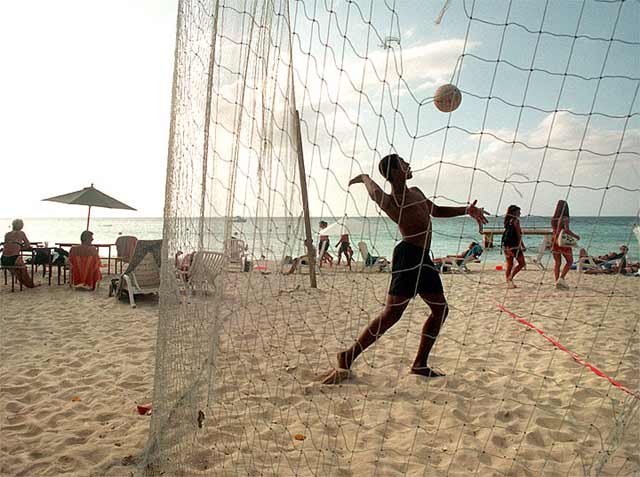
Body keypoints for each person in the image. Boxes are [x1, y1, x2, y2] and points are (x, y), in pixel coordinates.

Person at [320, 154, 488, 384]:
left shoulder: (417, 192)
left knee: (440, 309)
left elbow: (436, 210)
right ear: (394, 172)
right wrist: (365, 178)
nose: (408, 165)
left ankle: (420, 364)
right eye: (402, 163)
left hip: (424, 259)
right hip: (407, 256)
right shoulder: (392, 202)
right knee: (392, 314)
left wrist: (466, 210)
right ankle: (347, 355)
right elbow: (374, 191)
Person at [551, 200, 580, 289]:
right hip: (563, 242)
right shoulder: (565, 218)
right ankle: (561, 278)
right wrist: (576, 236)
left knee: (557, 262)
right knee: (570, 261)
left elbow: (555, 230)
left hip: (555, 240)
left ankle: (556, 281)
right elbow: (566, 230)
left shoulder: (553, 219)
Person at [1, 219, 37, 288]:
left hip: (3, 259)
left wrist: (17, 246)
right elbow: (27, 245)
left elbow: (8, 245)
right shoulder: (21, 233)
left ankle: (27, 284)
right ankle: (31, 285)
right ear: (21, 226)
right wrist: (20, 247)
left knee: (17, 271)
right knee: (23, 269)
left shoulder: (7, 234)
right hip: (13, 257)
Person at [501, 205, 526, 288]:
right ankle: (510, 278)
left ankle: (509, 283)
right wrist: (522, 245)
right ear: (514, 212)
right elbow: (519, 235)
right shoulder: (516, 221)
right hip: (514, 246)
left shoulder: (507, 221)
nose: (520, 213)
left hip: (506, 245)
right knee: (522, 263)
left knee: (509, 265)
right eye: (519, 212)